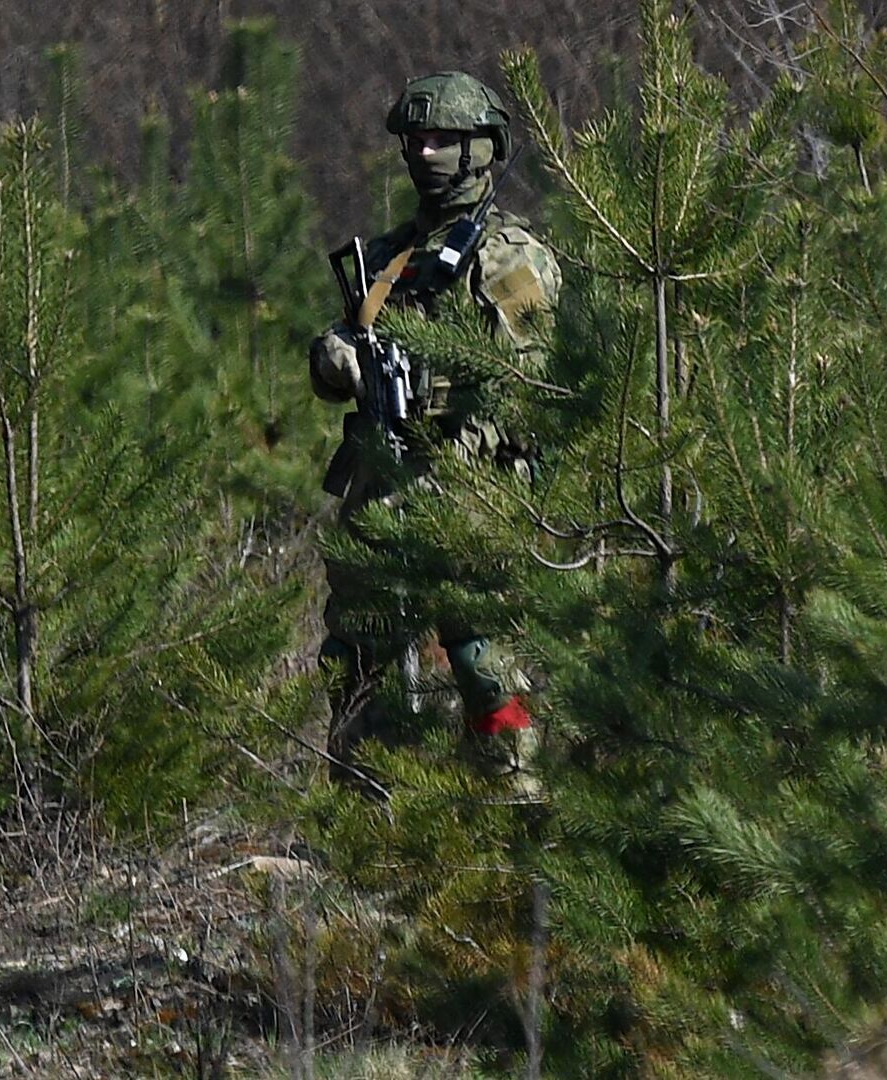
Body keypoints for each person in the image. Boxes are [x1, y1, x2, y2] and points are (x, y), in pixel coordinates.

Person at [308, 71, 560, 798]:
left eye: (444, 139)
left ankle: (512, 808)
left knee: (484, 659)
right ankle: (368, 818)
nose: (425, 152)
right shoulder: (388, 259)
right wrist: (335, 359)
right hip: (381, 490)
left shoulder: (510, 256)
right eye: (416, 139)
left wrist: (440, 394)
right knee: (357, 657)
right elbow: (340, 352)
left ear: (483, 149)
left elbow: (532, 376)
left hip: (471, 485)